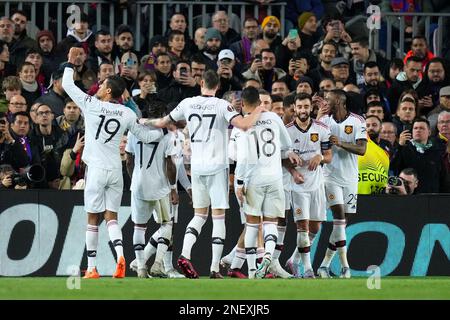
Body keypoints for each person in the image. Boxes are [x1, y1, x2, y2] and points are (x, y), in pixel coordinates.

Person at [140, 70, 267, 279]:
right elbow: (244, 125)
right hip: (217, 167)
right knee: (218, 218)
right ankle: (214, 268)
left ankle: (184, 254)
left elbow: (163, 122)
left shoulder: (188, 102)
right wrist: (259, 109)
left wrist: (143, 121)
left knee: (199, 216)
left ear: (201, 83)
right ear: (218, 87)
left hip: (197, 167)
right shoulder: (222, 105)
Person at [62, 47, 163, 279]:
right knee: (112, 217)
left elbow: (68, 86)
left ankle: (93, 268)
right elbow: (147, 136)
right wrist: (164, 130)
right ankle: (120, 256)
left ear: (107, 90)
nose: (98, 87)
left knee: (91, 219)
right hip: (115, 170)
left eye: (102, 84)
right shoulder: (127, 114)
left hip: (96, 170)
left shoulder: (91, 104)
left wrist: (70, 62)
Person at [231, 86, 299, 279]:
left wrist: (239, 183)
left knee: (252, 224)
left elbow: (243, 158)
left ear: (243, 104)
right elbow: (286, 146)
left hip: (254, 179)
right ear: (260, 103)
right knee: (270, 223)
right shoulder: (275, 118)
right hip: (275, 177)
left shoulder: (245, 123)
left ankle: (253, 271)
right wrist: (289, 154)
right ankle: (268, 255)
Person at [316, 89, 367, 278]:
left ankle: (324, 265)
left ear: (339, 101)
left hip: (350, 178)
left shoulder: (357, 121)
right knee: (338, 216)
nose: (326, 102)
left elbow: (362, 149)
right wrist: (319, 115)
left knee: (343, 224)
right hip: (330, 176)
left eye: (328, 99)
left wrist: (341, 143)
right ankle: (346, 267)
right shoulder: (325, 121)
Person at [125, 106, 178, 278]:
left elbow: (128, 161)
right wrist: (172, 188)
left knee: (139, 228)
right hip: (160, 187)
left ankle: (141, 267)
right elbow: (170, 164)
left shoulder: (134, 133)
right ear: (161, 117)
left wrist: (134, 179)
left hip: (138, 186)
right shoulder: (167, 136)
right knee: (166, 225)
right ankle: (157, 263)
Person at [284, 93, 332, 278]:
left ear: (311, 108)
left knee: (315, 229)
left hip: (317, 184)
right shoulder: (287, 131)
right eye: (300, 107)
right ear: (294, 108)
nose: (303, 110)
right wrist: (294, 172)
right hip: (297, 186)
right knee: (302, 227)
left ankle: (293, 260)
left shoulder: (322, 129)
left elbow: (329, 156)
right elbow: (280, 158)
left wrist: (320, 157)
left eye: (306, 106)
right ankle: (308, 269)